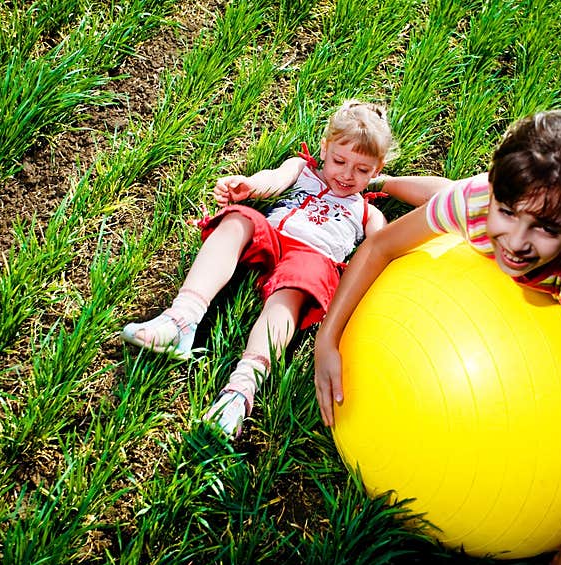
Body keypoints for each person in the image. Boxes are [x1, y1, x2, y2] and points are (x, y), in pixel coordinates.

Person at [314, 109, 561, 565]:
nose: (518, 244)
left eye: (544, 229)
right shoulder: (478, 202)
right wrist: (328, 338)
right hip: (522, 196)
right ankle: (390, 181)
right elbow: (381, 246)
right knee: (452, 197)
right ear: (494, 190)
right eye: (507, 213)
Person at [122, 99, 395, 438]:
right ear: (324, 148)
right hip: (273, 237)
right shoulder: (302, 168)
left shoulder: (366, 210)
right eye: (339, 160)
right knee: (239, 219)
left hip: (312, 259)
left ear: (377, 169)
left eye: (362, 170)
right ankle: (182, 319)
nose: (347, 175)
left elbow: (381, 248)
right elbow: (274, 179)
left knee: (295, 289)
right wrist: (248, 186)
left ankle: (241, 389)